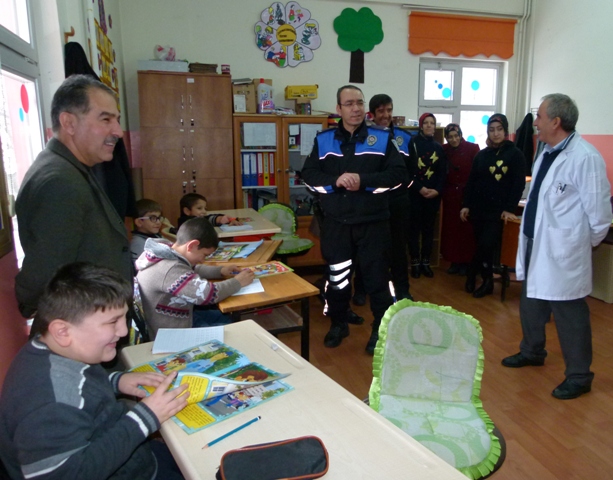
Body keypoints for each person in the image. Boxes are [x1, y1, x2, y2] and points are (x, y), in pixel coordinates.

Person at [0, 263, 189, 479]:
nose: (123, 331)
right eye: (112, 321)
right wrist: (145, 418)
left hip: (135, 457)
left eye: (123, 317)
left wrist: (116, 381)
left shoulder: (56, 349)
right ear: (62, 331)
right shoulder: (48, 404)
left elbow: (79, 387)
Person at [502, 94, 612, 400]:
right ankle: (532, 350)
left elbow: (600, 216)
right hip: (536, 242)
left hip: (564, 249)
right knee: (531, 300)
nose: (535, 122)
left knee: (569, 312)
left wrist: (578, 244)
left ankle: (579, 376)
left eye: (539, 116)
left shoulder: (585, 157)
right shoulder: (546, 152)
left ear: (556, 122)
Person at [15, 74, 133, 319]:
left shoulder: (72, 167)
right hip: (81, 324)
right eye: (106, 119)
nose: (118, 131)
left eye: (117, 120)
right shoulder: (59, 181)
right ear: (68, 122)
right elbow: (44, 273)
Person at [302, 85, 407, 353]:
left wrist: (364, 181)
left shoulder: (381, 138)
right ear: (338, 109)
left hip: (373, 224)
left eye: (359, 102)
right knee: (337, 280)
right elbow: (309, 177)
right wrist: (335, 182)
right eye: (349, 104)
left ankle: (379, 331)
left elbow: (399, 177)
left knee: (378, 281)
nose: (356, 108)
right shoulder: (324, 140)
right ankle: (338, 323)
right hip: (337, 224)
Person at [136, 217, 254, 339]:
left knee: (227, 319)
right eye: (204, 255)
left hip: (180, 318)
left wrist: (219, 271)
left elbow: (190, 269)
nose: (203, 260)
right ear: (192, 245)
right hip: (172, 333)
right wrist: (238, 282)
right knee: (233, 332)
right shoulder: (169, 269)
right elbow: (207, 294)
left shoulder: (168, 253)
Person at [461, 114, 525, 298]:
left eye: (499, 129)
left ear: (505, 131)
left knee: (486, 244)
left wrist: (509, 208)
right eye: (491, 130)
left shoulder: (515, 155)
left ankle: (475, 273)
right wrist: (466, 205)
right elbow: (472, 182)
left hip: (498, 212)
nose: (495, 133)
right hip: (478, 210)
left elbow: (518, 184)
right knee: (482, 246)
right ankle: (486, 279)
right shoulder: (482, 155)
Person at [367, 93, 415, 301]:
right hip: (373, 202)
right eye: (381, 111)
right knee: (372, 248)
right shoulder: (364, 137)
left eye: (389, 110)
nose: (386, 115)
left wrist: (401, 188)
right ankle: (365, 290)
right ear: (372, 114)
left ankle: (402, 290)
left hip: (398, 201)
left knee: (398, 248)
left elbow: (412, 171)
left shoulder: (405, 138)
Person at [408, 113, 446, 279]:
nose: (429, 126)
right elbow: (408, 172)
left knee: (429, 230)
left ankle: (426, 262)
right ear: (421, 125)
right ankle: (415, 262)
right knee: (414, 230)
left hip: (433, 196)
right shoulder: (412, 144)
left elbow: (442, 173)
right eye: (426, 123)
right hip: (415, 195)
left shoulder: (439, 147)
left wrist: (437, 190)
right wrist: (420, 188)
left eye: (432, 123)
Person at [441, 123, 480, 276]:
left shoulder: (472, 148)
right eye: (450, 137)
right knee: (452, 229)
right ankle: (454, 261)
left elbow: (477, 172)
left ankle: (467, 262)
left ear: (461, 135)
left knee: (466, 229)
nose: (454, 139)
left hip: (467, 194)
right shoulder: (444, 150)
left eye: (456, 136)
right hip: (451, 194)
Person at [131, 198, 164, 263]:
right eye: (153, 218)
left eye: (159, 218)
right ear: (139, 222)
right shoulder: (138, 243)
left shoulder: (156, 236)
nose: (158, 222)